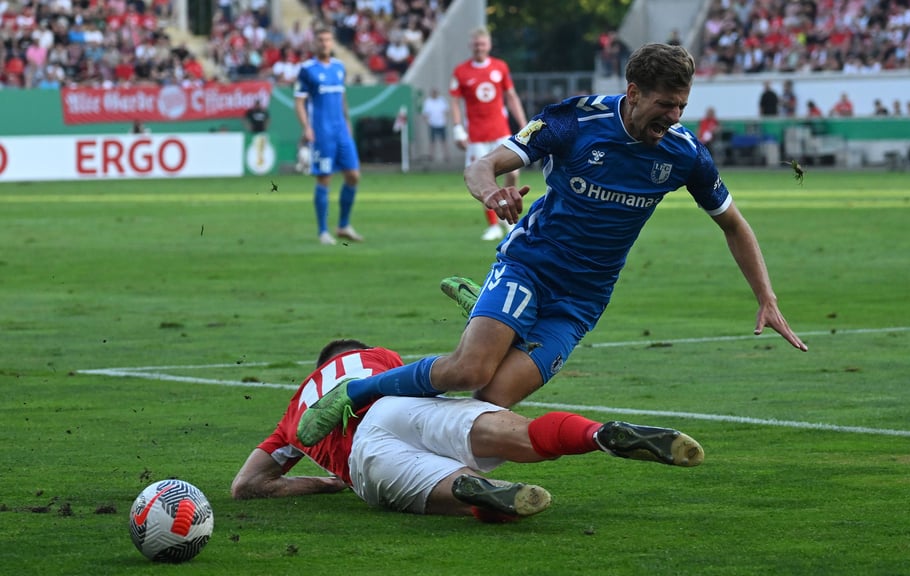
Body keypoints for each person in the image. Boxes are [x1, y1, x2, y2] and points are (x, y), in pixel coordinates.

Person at [296, 43, 806, 448]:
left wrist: (768, 297)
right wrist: (491, 193)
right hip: (529, 265)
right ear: (632, 92)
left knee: (491, 397)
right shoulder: (572, 120)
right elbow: (481, 164)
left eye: (681, 106)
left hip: (583, 298)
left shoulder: (683, 152)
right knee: (471, 369)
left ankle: (484, 345)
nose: (673, 116)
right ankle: (355, 394)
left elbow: (733, 224)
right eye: (664, 104)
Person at [232, 336, 704, 522]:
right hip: (396, 402)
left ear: (318, 370)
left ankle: (482, 493)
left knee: (451, 486)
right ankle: (598, 434)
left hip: (364, 458)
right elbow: (429, 381)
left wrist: (323, 482)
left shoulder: (295, 411)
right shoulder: (379, 359)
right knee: (525, 435)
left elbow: (247, 486)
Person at [449, 26, 528, 241]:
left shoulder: (500, 67)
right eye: (476, 44)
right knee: (485, 178)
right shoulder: (461, 71)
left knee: (513, 173)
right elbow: (455, 101)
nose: (479, 48)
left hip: (500, 131)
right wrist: (458, 128)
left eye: (482, 44)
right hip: (476, 136)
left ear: (489, 45)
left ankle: (507, 212)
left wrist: (524, 125)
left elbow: (511, 96)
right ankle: (494, 224)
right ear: (471, 46)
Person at [295, 26, 364, 246]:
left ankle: (343, 225)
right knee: (325, 178)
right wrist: (306, 127)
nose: (325, 43)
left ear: (332, 42)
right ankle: (323, 231)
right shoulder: (307, 69)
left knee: (353, 175)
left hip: (341, 130)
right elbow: (299, 101)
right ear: (314, 44)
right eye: (321, 40)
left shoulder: (339, 67)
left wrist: (348, 123)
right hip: (321, 131)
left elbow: (342, 98)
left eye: (328, 40)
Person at [421, 87, 449, 163]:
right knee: (432, 141)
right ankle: (431, 156)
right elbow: (425, 114)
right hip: (432, 124)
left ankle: (446, 156)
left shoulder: (442, 100)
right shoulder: (428, 102)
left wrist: (445, 120)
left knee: (443, 141)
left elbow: (446, 111)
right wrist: (428, 122)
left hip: (441, 124)